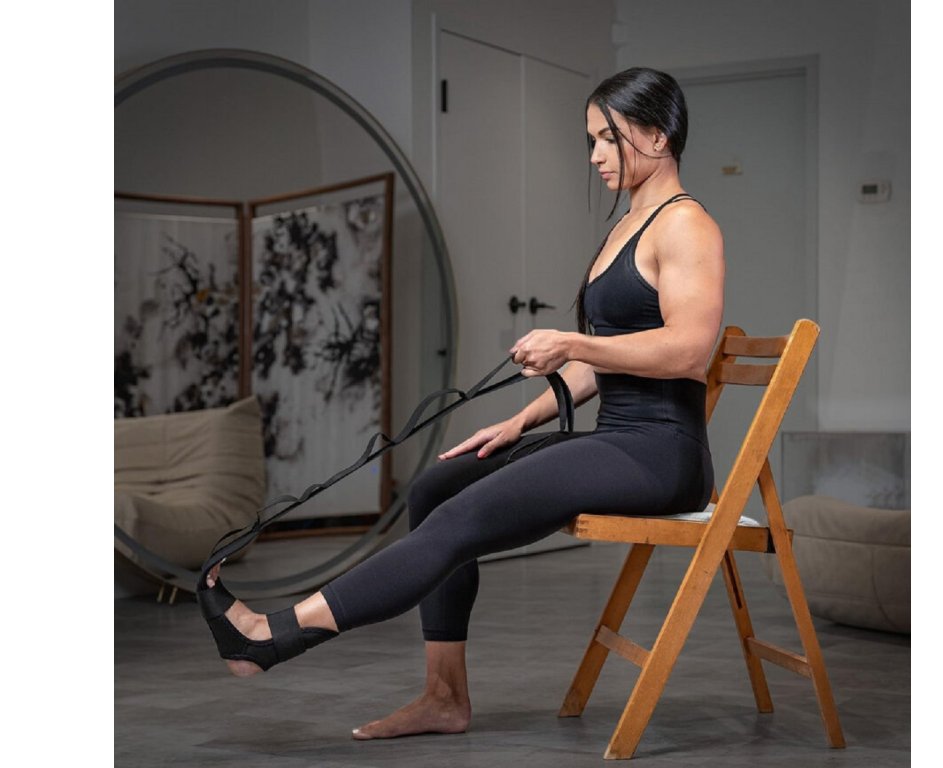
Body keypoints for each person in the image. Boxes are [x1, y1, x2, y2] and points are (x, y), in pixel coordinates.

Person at [199, 66, 725, 741]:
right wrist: (520, 420)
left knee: (464, 517)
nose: (594, 154)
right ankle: (444, 696)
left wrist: (571, 341)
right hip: (617, 438)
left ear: (656, 136)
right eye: (590, 139)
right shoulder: (630, 223)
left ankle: (272, 635)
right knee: (436, 487)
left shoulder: (687, 226)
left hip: (661, 455)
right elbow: (612, 358)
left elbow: (687, 351)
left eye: (607, 138)